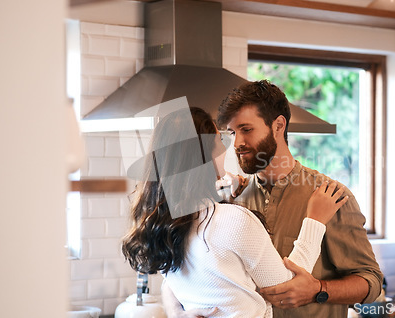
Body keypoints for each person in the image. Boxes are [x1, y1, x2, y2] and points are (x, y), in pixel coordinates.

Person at [122, 106, 349, 317]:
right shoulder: (233, 222)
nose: (228, 146)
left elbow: (211, 276)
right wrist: (315, 220)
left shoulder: (160, 226)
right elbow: (286, 288)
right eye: (220, 139)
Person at [215, 80, 384, 318]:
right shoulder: (235, 198)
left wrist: (318, 290)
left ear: (278, 125)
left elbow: (371, 282)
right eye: (232, 133)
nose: (238, 143)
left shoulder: (331, 196)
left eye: (246, 129)